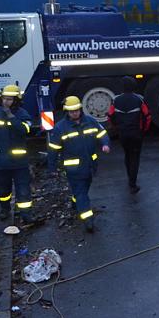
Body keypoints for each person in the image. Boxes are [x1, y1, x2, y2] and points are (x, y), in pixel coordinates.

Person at [47, 96, 110, 232]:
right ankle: (88, 220)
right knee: (82, 193)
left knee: (84, 188)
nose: (74, 113)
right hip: (74, 168)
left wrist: (105, 144)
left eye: (76, 110)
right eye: (71, 111)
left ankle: (75, 201)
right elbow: (53, 149)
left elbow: (102, 133)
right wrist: (51, 167)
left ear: (80, 109)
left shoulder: (91, 122)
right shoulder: (60, 128)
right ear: (67, 112)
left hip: (90, 166)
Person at [0, 84, 34, 224]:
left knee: (23, 191)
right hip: (0, 162)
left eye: (10, 99)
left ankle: (26, 214)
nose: (6, 102)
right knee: (2, 190)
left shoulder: (22, 114)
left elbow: (25, 130)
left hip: (19, 162)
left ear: (16, 100)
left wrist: (11, 117)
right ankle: (5, 209)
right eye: (4, 99)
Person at [108, 76, 151, 193]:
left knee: (127, 155)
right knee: (135, 157)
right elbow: (147, 116)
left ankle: (129, 179)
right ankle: (133, 183)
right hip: (136, 133)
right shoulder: (139, 99)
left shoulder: (116, 100)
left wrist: (115, 127)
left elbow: (110, 115)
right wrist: (144, 130)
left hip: (123, 133)